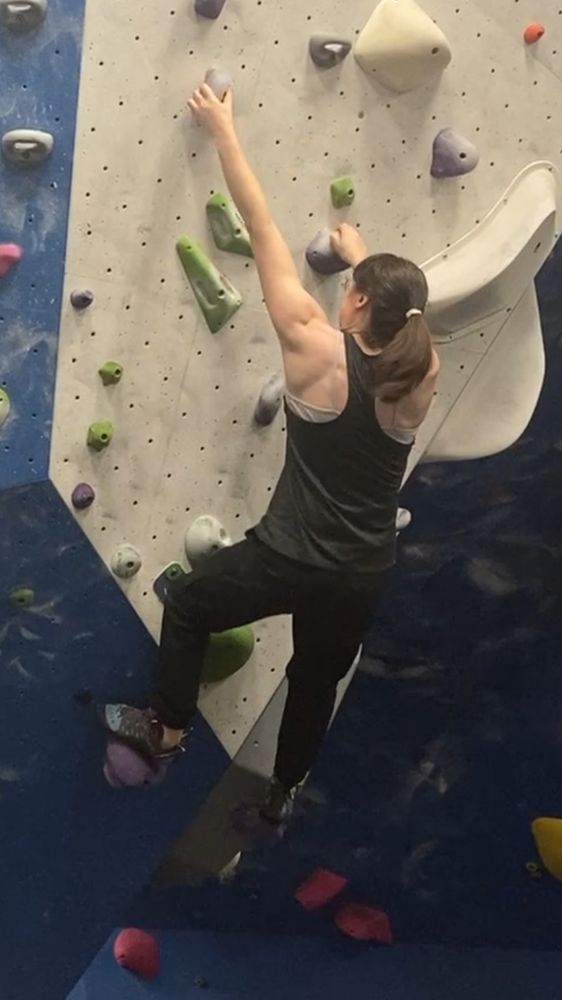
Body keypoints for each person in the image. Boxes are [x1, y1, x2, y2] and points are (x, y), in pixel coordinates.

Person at [101, 82, 440, 827]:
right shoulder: (421, 372)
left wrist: (224, 123)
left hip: (289, 555)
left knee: (190, 605)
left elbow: (259, 226)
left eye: (352, 290)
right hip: (362, 573)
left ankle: (167, 726)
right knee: (313, 682)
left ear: (352, 305)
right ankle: (281, 794)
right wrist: (364, 263)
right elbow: (404, 313)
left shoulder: (312, 346)